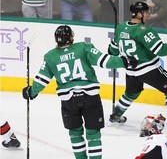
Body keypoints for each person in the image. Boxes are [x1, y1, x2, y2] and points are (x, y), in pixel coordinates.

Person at [22, 25, 137, 159]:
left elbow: (42, 80)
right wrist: (124, 61)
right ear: (71, 37)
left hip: (69, 101)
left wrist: (31, 92)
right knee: (93, 134)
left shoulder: (50, 56)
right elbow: (104, 61)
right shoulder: (83, 47)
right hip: (90, 97)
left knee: (75, 133)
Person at [108, 1, 167, 129]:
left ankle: (116, 114)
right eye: (145, 12)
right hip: (148, 69)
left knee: (131, 93)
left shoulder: (121, 27)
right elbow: (160, 50)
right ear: (139, 14)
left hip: (130, 70)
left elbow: (113, 51)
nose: (148, 15)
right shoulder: (144, 30)